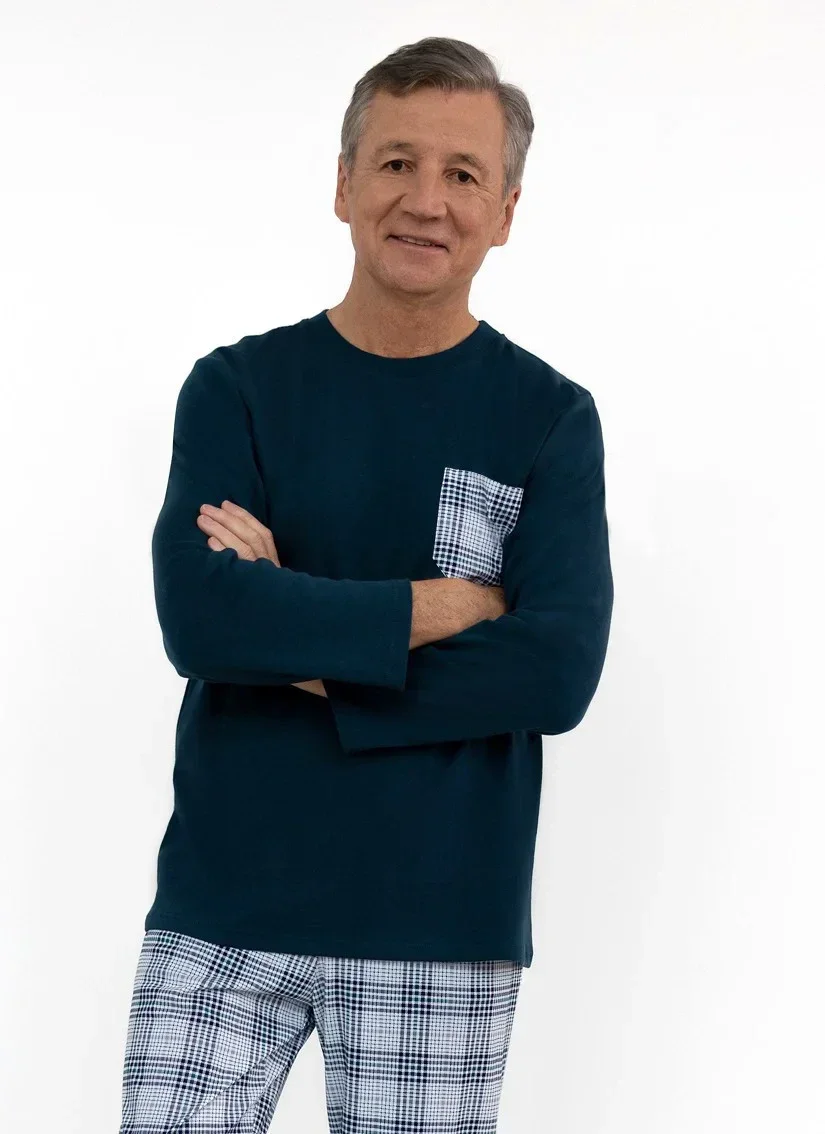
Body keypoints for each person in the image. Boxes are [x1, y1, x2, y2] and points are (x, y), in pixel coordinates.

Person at [119, 34, 614, 1134]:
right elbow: (201, 618)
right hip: (221, 907)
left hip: (439, 922)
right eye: (396, 163)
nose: (425, 200)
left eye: (462, 174)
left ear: (506, 211)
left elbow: (554, 672)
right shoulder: (237, 389)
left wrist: (300, 641)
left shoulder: (548, 418)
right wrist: (443, 607)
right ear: (343, 184)